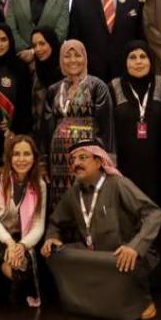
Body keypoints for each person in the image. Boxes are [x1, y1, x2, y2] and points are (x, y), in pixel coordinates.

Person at [42, 140, 161, 320]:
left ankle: (142, 301)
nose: (76, 163)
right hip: (94, 258)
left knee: (129, 260)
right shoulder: (73, 193)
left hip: (121, 256)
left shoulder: (118, 184)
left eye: (83, 158)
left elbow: (154, 213)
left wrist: (135, 247)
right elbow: (55, 222)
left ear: (99, 162)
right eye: (73, 160)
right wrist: (51, 237)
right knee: (55, 253)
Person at [41, 40, 114, 211]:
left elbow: (106, 127)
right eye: (67, 56)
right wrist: (43, 161)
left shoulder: (97, 86)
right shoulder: (53, 90)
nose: (73, 60)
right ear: (61, 60)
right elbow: (46, 128)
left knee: (88, 202)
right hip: (59, 159)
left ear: (85, 58)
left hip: (87, 156)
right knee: (62, 203)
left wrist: (107, 160)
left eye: (77, 55)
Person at [0, 134, 47, 306]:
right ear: (9, 157)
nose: (21, 159)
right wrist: (9, 242)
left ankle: (8, 282)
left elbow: (38, 226)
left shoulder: (40, 185)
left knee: (21, 270)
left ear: (34, 158)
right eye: (16, 154)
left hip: (21, 240)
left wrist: (21, 246)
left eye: (26, 154)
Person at [109, 41, 161, 216]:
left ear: (151, 60)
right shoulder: (113, 87)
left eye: (143, 57)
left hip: (159, 166)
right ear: (125, 61)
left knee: (159, 213)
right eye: (132, 57)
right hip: (125, 167)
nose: (138, 62)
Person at [0, 23, 33, 136]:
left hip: (14, 134)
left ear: (10, 41)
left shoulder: (20, 67)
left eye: (3, 39)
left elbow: (25, 105)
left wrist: (14, 128)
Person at [29, 26, 63, 143]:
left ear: (52, 43)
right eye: (34, 45)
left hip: (62, 137)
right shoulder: (33, 72)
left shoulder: (65, 72)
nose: (38, 49)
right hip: (38, 137)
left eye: (42, 44)